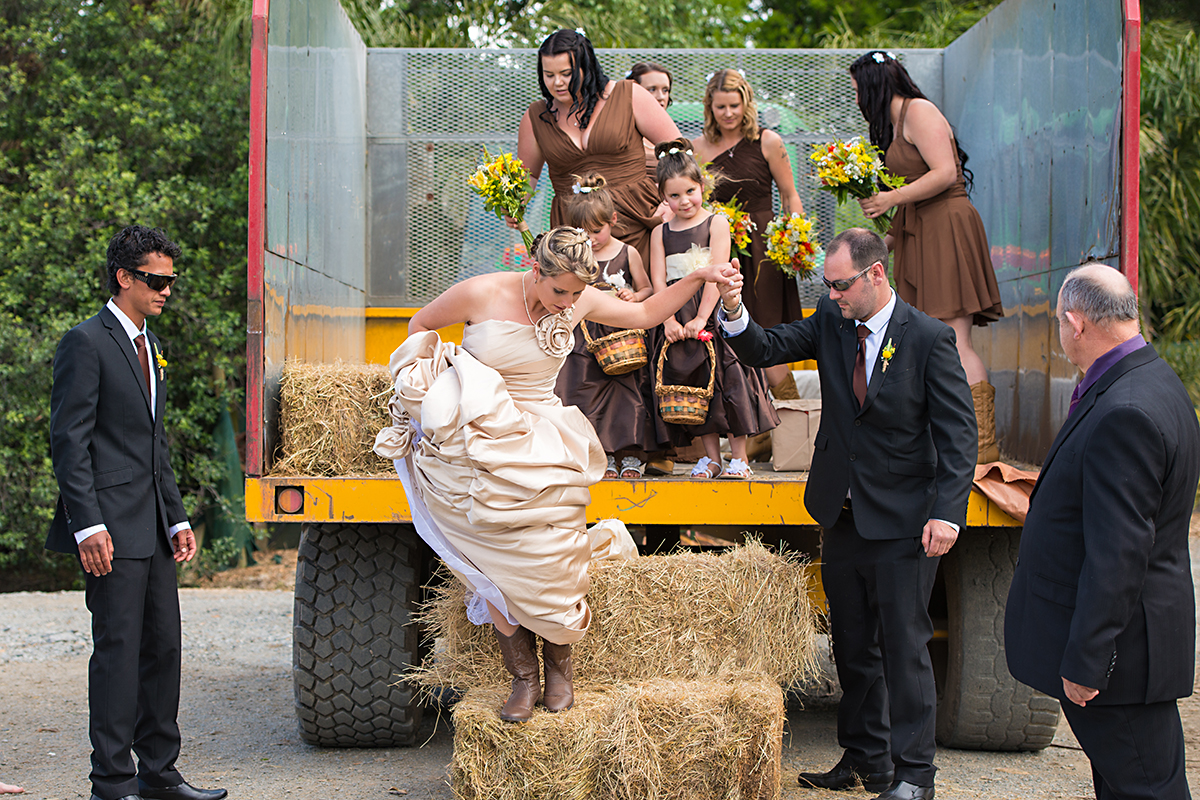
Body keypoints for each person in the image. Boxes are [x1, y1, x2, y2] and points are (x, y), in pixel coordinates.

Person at [373, 227, 738, 723]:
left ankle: (560, 672)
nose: (564, 303)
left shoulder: (581, 299)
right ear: (535, 270)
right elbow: (420, 326)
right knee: (489, 564)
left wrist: (696, 275)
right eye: (557, 291)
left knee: (555, 557)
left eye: (574, 293)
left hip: (544, 436)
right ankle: (522, 678)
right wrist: (443, 384)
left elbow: (647, 315)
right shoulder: (482, 291)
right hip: (478, 441)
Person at [717, 227, 976, 800]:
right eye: (827, 285)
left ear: (876, 274)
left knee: (905, 650)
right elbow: (765, 348)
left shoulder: (929, 339)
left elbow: (959, 435)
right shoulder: (831, 321)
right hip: (842, 514)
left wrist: (947, 513)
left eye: (840, 284)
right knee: (852, 646)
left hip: (905, 520)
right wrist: (733, 308)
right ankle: (866, 761)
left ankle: (914, 776)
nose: (832, 294)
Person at [1005, 264, 1199, 800]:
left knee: (1146, 789)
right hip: (1133, 651)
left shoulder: (1126, 410)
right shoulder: (1149, 379)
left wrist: (1088, 662)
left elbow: (1119, 553)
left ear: (1076, 323)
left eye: (1058, 324)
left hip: (1122, 663)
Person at [45, 226, 226, 800]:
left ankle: (159, 775)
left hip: (151, 524)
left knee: (163, 648)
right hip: (107, 527)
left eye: (171, 280)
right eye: (156, 279)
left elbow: (154, 444)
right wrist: (87, 524)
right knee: (119, 652)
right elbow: (68, 441)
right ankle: (112, 781)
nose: (167, 289)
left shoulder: (149, 346)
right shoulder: (86, 342)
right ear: (124, 278)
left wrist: (175, 518)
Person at [849, 50, 1003, 463]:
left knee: (954, 337)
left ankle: (982, 445)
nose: (858, 97)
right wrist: (880, 245)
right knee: (928, 341)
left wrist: (890, 198)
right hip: (918, 230)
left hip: (947, 228)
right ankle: (942, 442)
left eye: (859, 88)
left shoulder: (919, 111)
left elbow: (945, 173)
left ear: (876, 85)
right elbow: (912, 193)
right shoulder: (895, 125)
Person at [651, 139, 779, 480]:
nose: (683, 201)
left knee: (729, 380)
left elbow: (717, 273)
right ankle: (711, 458)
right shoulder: (659, 233)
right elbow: (658, 281)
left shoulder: (717, 223)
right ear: (663, 197)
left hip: (714, 309)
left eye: (690, 191)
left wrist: (701, 317)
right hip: (678, 314)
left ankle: (739, 457)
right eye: (674, 196)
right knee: (694, 384)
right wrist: (668, 320)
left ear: (702, 187)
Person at [515, 30, 680, 265]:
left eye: (566, 73)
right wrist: (515, 202)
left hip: (638, 220)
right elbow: (528, 176)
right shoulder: (535, 117)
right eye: (548, 74)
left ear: (587, 67)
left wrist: (669, 202)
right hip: (575, 236)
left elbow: (678, 151)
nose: (557, 82)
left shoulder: (629, 95)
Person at [692, 69, 807, 400]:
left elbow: (790, 195)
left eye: (734, 105)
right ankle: (749, 420)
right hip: (720, 249)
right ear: (709, 108)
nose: (728, 114)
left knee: (766, 328)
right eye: (720, 107)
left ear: (746, 103)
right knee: (728, 330)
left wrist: (793, 236)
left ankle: (790, 412)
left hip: (764, 248)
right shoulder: (699, 148)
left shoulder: (767, 141)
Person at [554, 172, 657, 478]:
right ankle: (601, 453)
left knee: (627, 394)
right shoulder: (574, 258)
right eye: (582, 231)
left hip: (621, 337)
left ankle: (631, 453)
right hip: (584, 339)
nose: (591, 238)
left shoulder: (628, 253)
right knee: (585, 391)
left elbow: (648, 290)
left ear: (613, 219)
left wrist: (632, 295)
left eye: (596, 230)